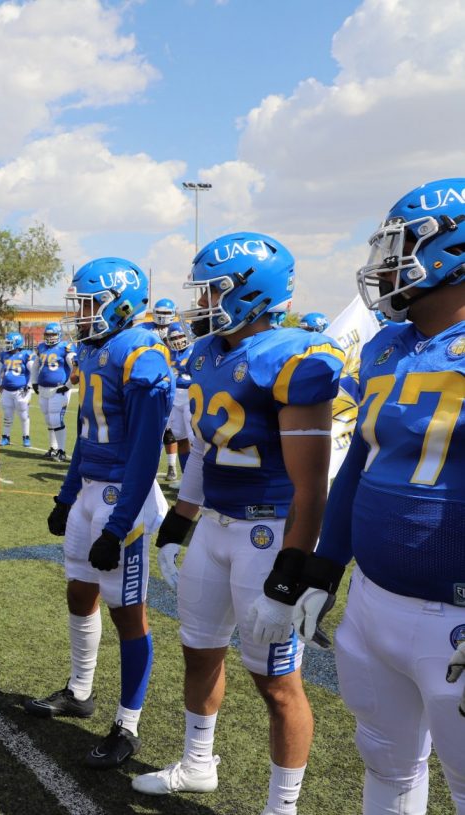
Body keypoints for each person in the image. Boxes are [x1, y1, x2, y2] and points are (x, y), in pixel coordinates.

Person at [133, 232, 344, 815]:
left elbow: (311, 487)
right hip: (214, 528)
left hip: (267, 534)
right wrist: (179, 523)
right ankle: (197, 764)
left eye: (212, 291)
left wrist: (290, 573)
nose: (201, 303)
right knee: (199, 652)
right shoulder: (205, 353)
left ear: (251, 292)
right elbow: (203, 452)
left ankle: (283, 807)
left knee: (276, 682)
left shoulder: (292, 357)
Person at [294, 178, 465, 814]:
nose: (384, 267)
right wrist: (325, 567)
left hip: (453, 614)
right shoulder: (387, 346)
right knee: (386, 765)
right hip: (371, 600)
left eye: (399, 249)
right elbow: (357, 468)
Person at [28, 258, 172, 769]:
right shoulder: (94, 349)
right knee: (79, 590)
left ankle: (127, 725)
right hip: (90, 488)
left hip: (122, 496)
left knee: (127, 611)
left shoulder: (143, 353)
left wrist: (118, 524)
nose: (82, 313)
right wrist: (66, 495)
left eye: (90, 303)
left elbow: (145, 454)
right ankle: (80, 690)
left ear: (119, 303)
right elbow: (86, 436)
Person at [33, 321, 77, 460]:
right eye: (47, 334)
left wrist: (68, 385)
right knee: (49, 420)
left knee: (56, 419)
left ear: (59, 334)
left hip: (59, 389)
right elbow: (35, 365)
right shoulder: (41, 347)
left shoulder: (66, 348)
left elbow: (75, 368)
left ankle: (61, 451)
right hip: (43, 388)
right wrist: (34, 382)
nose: (50, 337)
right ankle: (53, 448)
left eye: (52, 334)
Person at [163, 321, 195, 481]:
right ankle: (186, 479)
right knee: (180, 438)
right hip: (175, 397)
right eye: (174, 338)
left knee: (195, 440)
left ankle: (199, 480)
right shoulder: (168, 353)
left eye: (181, 336)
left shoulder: (196, 350)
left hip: (191, 396)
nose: (178, 340)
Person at [0, 331, 34, 447]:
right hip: (7, 390)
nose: (7, 345)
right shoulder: (4, 354)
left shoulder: (25, 355)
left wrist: (29, 386)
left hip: (21, 390)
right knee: (7, 415)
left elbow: (34, 371)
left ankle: (26, 437)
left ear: (17, 343)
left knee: (23, 414)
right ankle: (5, 436)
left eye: (9, 342)